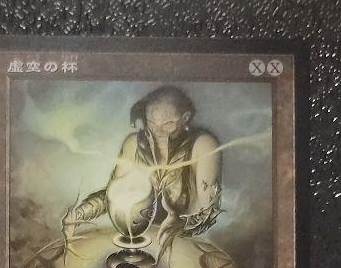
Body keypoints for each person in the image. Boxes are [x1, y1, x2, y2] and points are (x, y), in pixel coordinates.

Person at [62, 85, 222, 255]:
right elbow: (114, 195)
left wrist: (181, 225)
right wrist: (80, 214)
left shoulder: (203, 145)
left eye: (168, 124)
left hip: (185, 248)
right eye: (151, 123)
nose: (158, 132)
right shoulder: (134, 144)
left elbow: (209, 210)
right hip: (140, 244)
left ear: (185, 118)